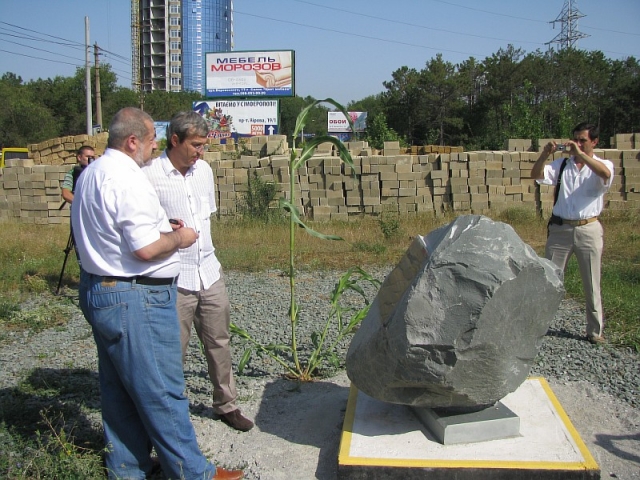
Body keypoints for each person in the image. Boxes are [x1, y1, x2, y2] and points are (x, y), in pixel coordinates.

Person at [71, 107, 243, 480]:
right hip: (135, 298)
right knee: (162, 392)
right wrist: (179, 237)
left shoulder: (93, 173)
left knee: (120, 393)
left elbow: (118, 233)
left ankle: (128, 468)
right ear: (133, 141)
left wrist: (163, 227)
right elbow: (146, 249)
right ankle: (194, 474)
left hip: (101, 287)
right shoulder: (130, 179)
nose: (154, 146)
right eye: (151, 140)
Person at [143, 111, 254, 432]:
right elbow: (140, 226)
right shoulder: (150, 175)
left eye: (204, 146)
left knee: (219, 341)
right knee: (171, 350)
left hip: (209, 271)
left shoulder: (204, 171)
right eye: (195, 145)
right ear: (174, 140)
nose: (200, 152)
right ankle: (170, 416)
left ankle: (226, 404)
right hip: (173, 278)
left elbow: (206, 219)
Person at [531, 122, 614, 345]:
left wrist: (582, 156)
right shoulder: (562, 164)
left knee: (591, 280)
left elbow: (605, 175)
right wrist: (544, 154)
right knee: (549, 279)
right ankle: (538, 326)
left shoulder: (602, 164)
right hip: (561, 229)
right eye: (575, 139)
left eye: (582, 140)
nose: (577, 144)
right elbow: (536, 174)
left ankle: (594, 331)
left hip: (588, 228)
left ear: (594, 142)